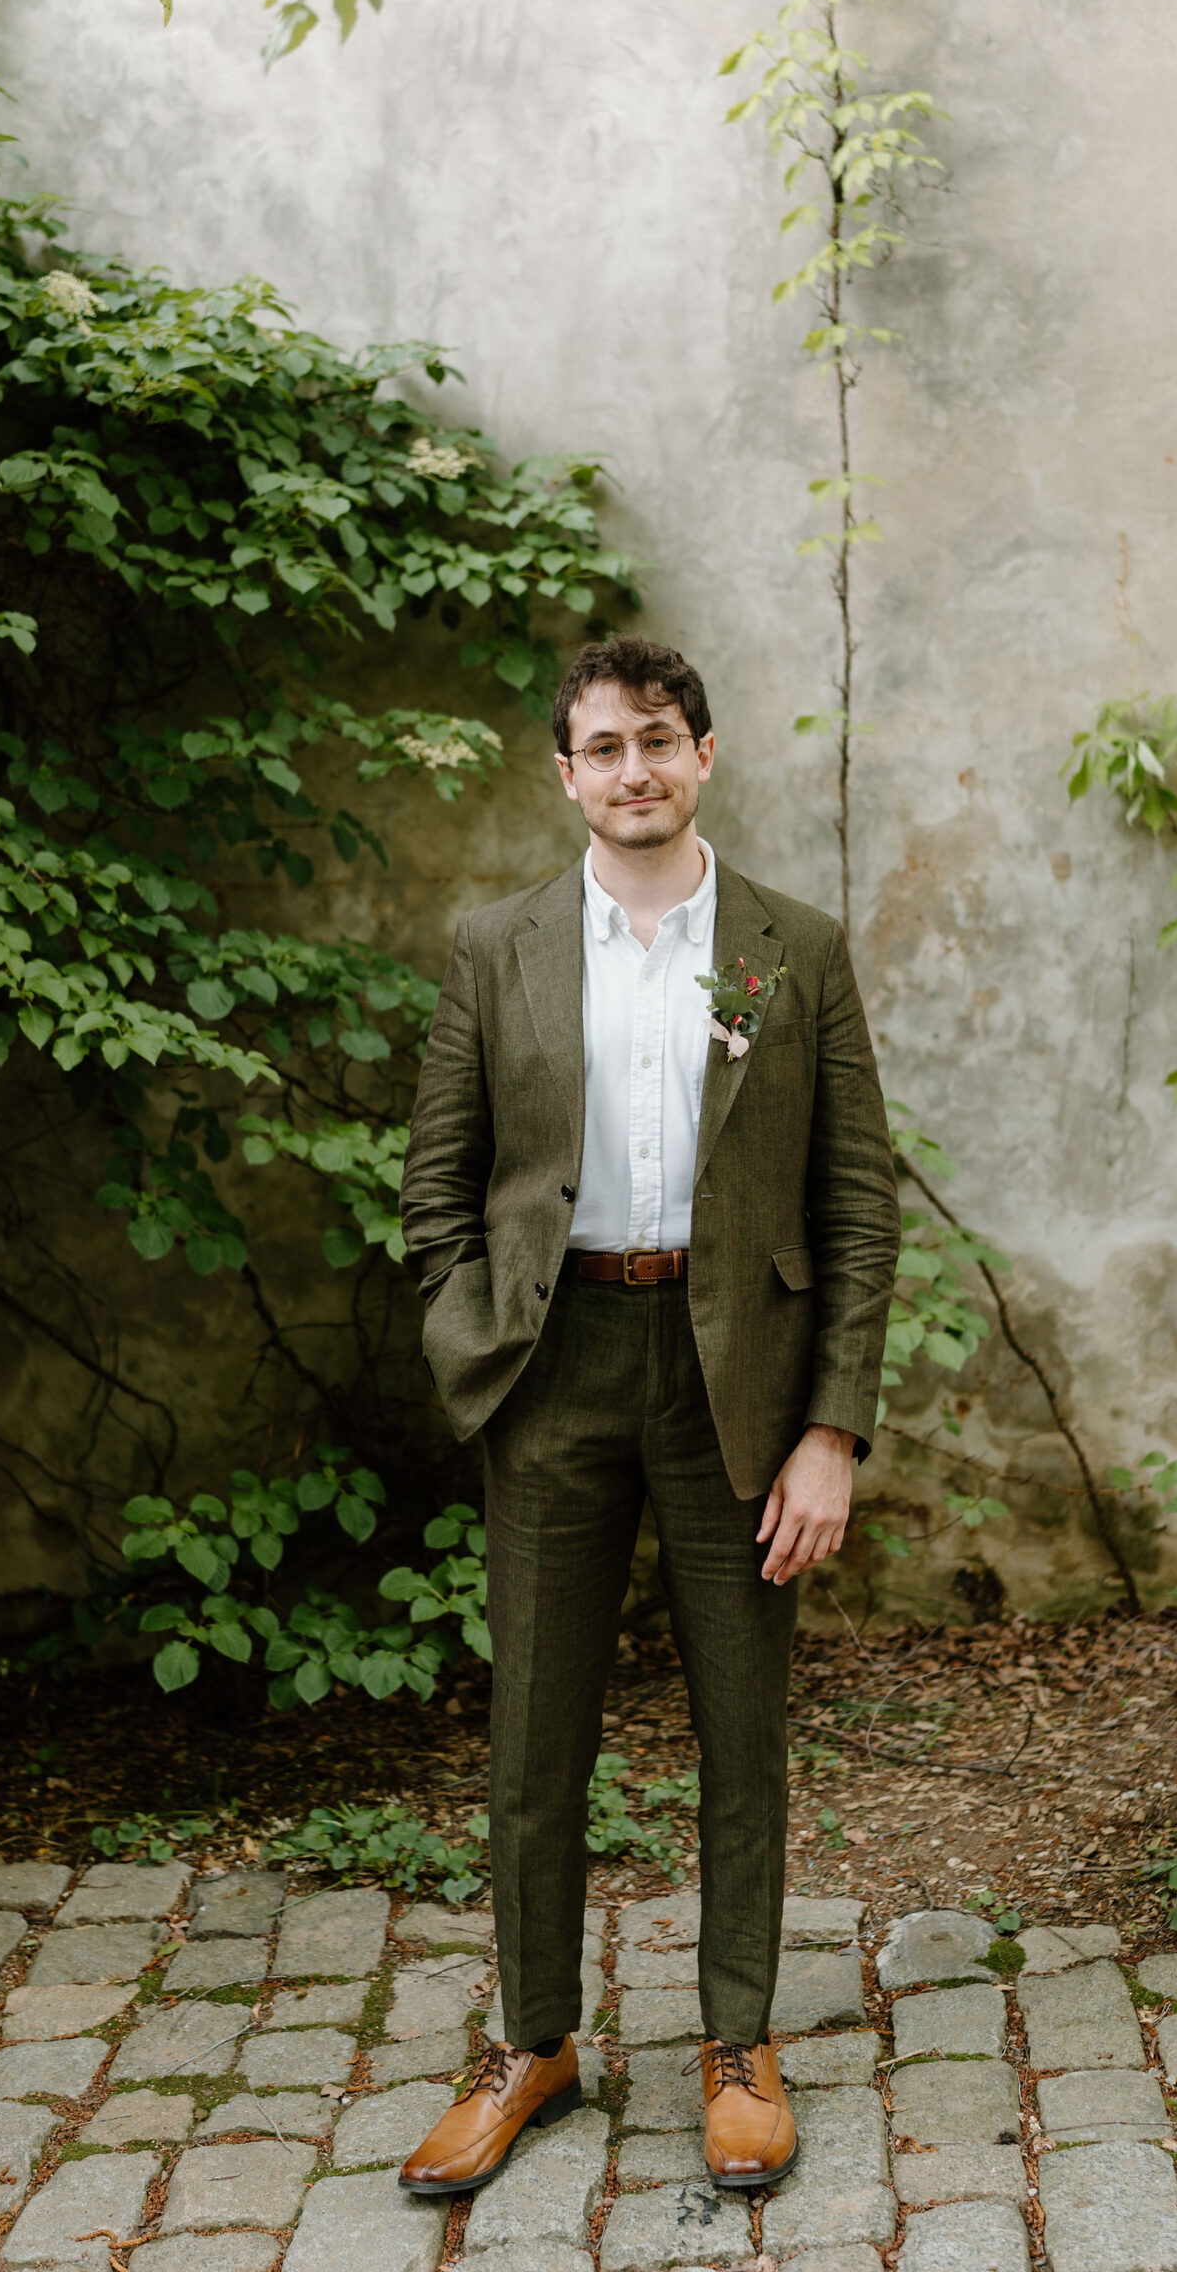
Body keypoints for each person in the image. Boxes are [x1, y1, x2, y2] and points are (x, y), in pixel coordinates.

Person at [396, 633, 900, 2196]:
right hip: (553, 1368)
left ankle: (737, 2041)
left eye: (659, 741)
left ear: (702, 758)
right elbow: (438, 1192)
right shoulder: (497, 947)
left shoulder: (790, 947)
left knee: (740, 1724)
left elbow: (859, 1201)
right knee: (536, 1732)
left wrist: (832, 1427)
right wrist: (470, 1349)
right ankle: (534, 2037)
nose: (633, 771)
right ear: (566, 773)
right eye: (602, 747)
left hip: (731, 1380)